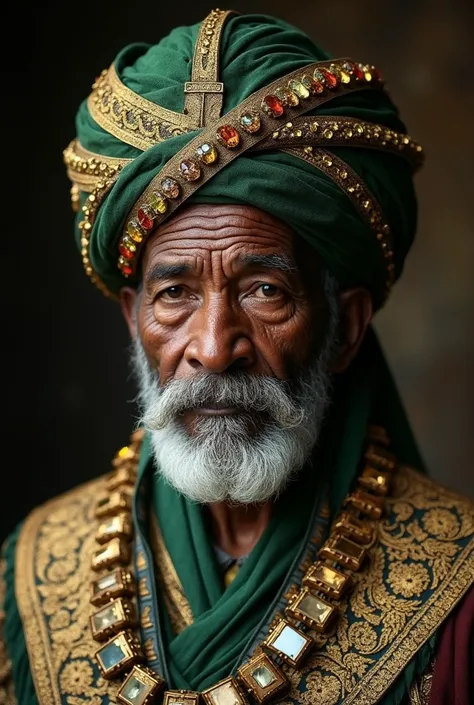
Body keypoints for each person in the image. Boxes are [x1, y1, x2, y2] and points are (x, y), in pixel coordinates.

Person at [1, 8, 472, 705]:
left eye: (264, 290)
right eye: (175, 294)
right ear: (134, 319)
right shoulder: (29, 571)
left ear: (344, 327)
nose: (215, 348)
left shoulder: (458, 592)